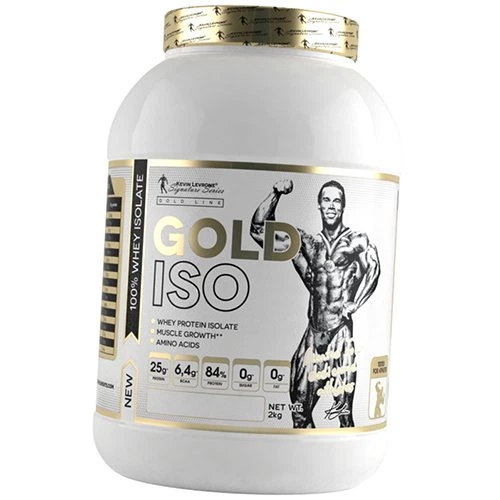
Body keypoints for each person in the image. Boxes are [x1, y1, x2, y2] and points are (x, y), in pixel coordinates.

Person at [250, 179, 380, 428]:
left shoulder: (356, 242)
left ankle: (342, 450)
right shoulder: (306, 243)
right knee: (299, 412)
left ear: (343, 206)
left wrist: (355, 302)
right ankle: (302, 449)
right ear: (319, 205)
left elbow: (374, 269)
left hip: (340, 335)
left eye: (337, 201)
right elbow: (258, 230)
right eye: (326, 200)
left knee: (344, 416)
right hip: (313, 334)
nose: (331, 206)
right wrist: (276, 193)